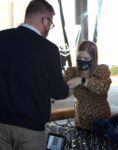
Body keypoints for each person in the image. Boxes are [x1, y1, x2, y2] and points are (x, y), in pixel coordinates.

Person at [0, 0, 69, 150]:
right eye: (50, 23)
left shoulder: (2, 38)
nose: (49, 28)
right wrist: (72, 86)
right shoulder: (49, 49)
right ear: (44, 20)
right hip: (31, 131)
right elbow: (58, 92)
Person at [64, 41, 111, 130]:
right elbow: (64, 92)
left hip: (101, 123)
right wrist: (66, 89)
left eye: (86, 58)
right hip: (81, 123)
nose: (82, 61)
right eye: (79, 57)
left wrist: (82, 80)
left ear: (93, 58)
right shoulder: (72, 72)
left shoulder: (101, 70)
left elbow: (103, 88)